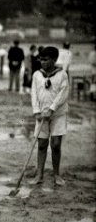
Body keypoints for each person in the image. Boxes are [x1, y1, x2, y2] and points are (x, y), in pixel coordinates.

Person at [30, 46, 69, 186]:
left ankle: (56, 174)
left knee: (56, 144)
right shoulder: (37, 75)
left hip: (58, 114)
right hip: (41, 115)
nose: (42, 62)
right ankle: (39, 174)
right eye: (41, 59)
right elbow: (34, 93)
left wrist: (52, 109)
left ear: (53, 60)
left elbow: (63, 94)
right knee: (41, 144)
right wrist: (37, 111)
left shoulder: (62, 74)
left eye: (45, 60)